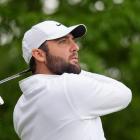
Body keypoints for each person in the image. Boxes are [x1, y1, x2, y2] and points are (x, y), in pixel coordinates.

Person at [13, 20, 132, 140]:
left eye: (73, 40)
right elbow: (124, 94)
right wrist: (77, 70)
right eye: (63, 41)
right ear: (39, 54)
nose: (76, 47)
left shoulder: (20, 107)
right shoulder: (68, 86)